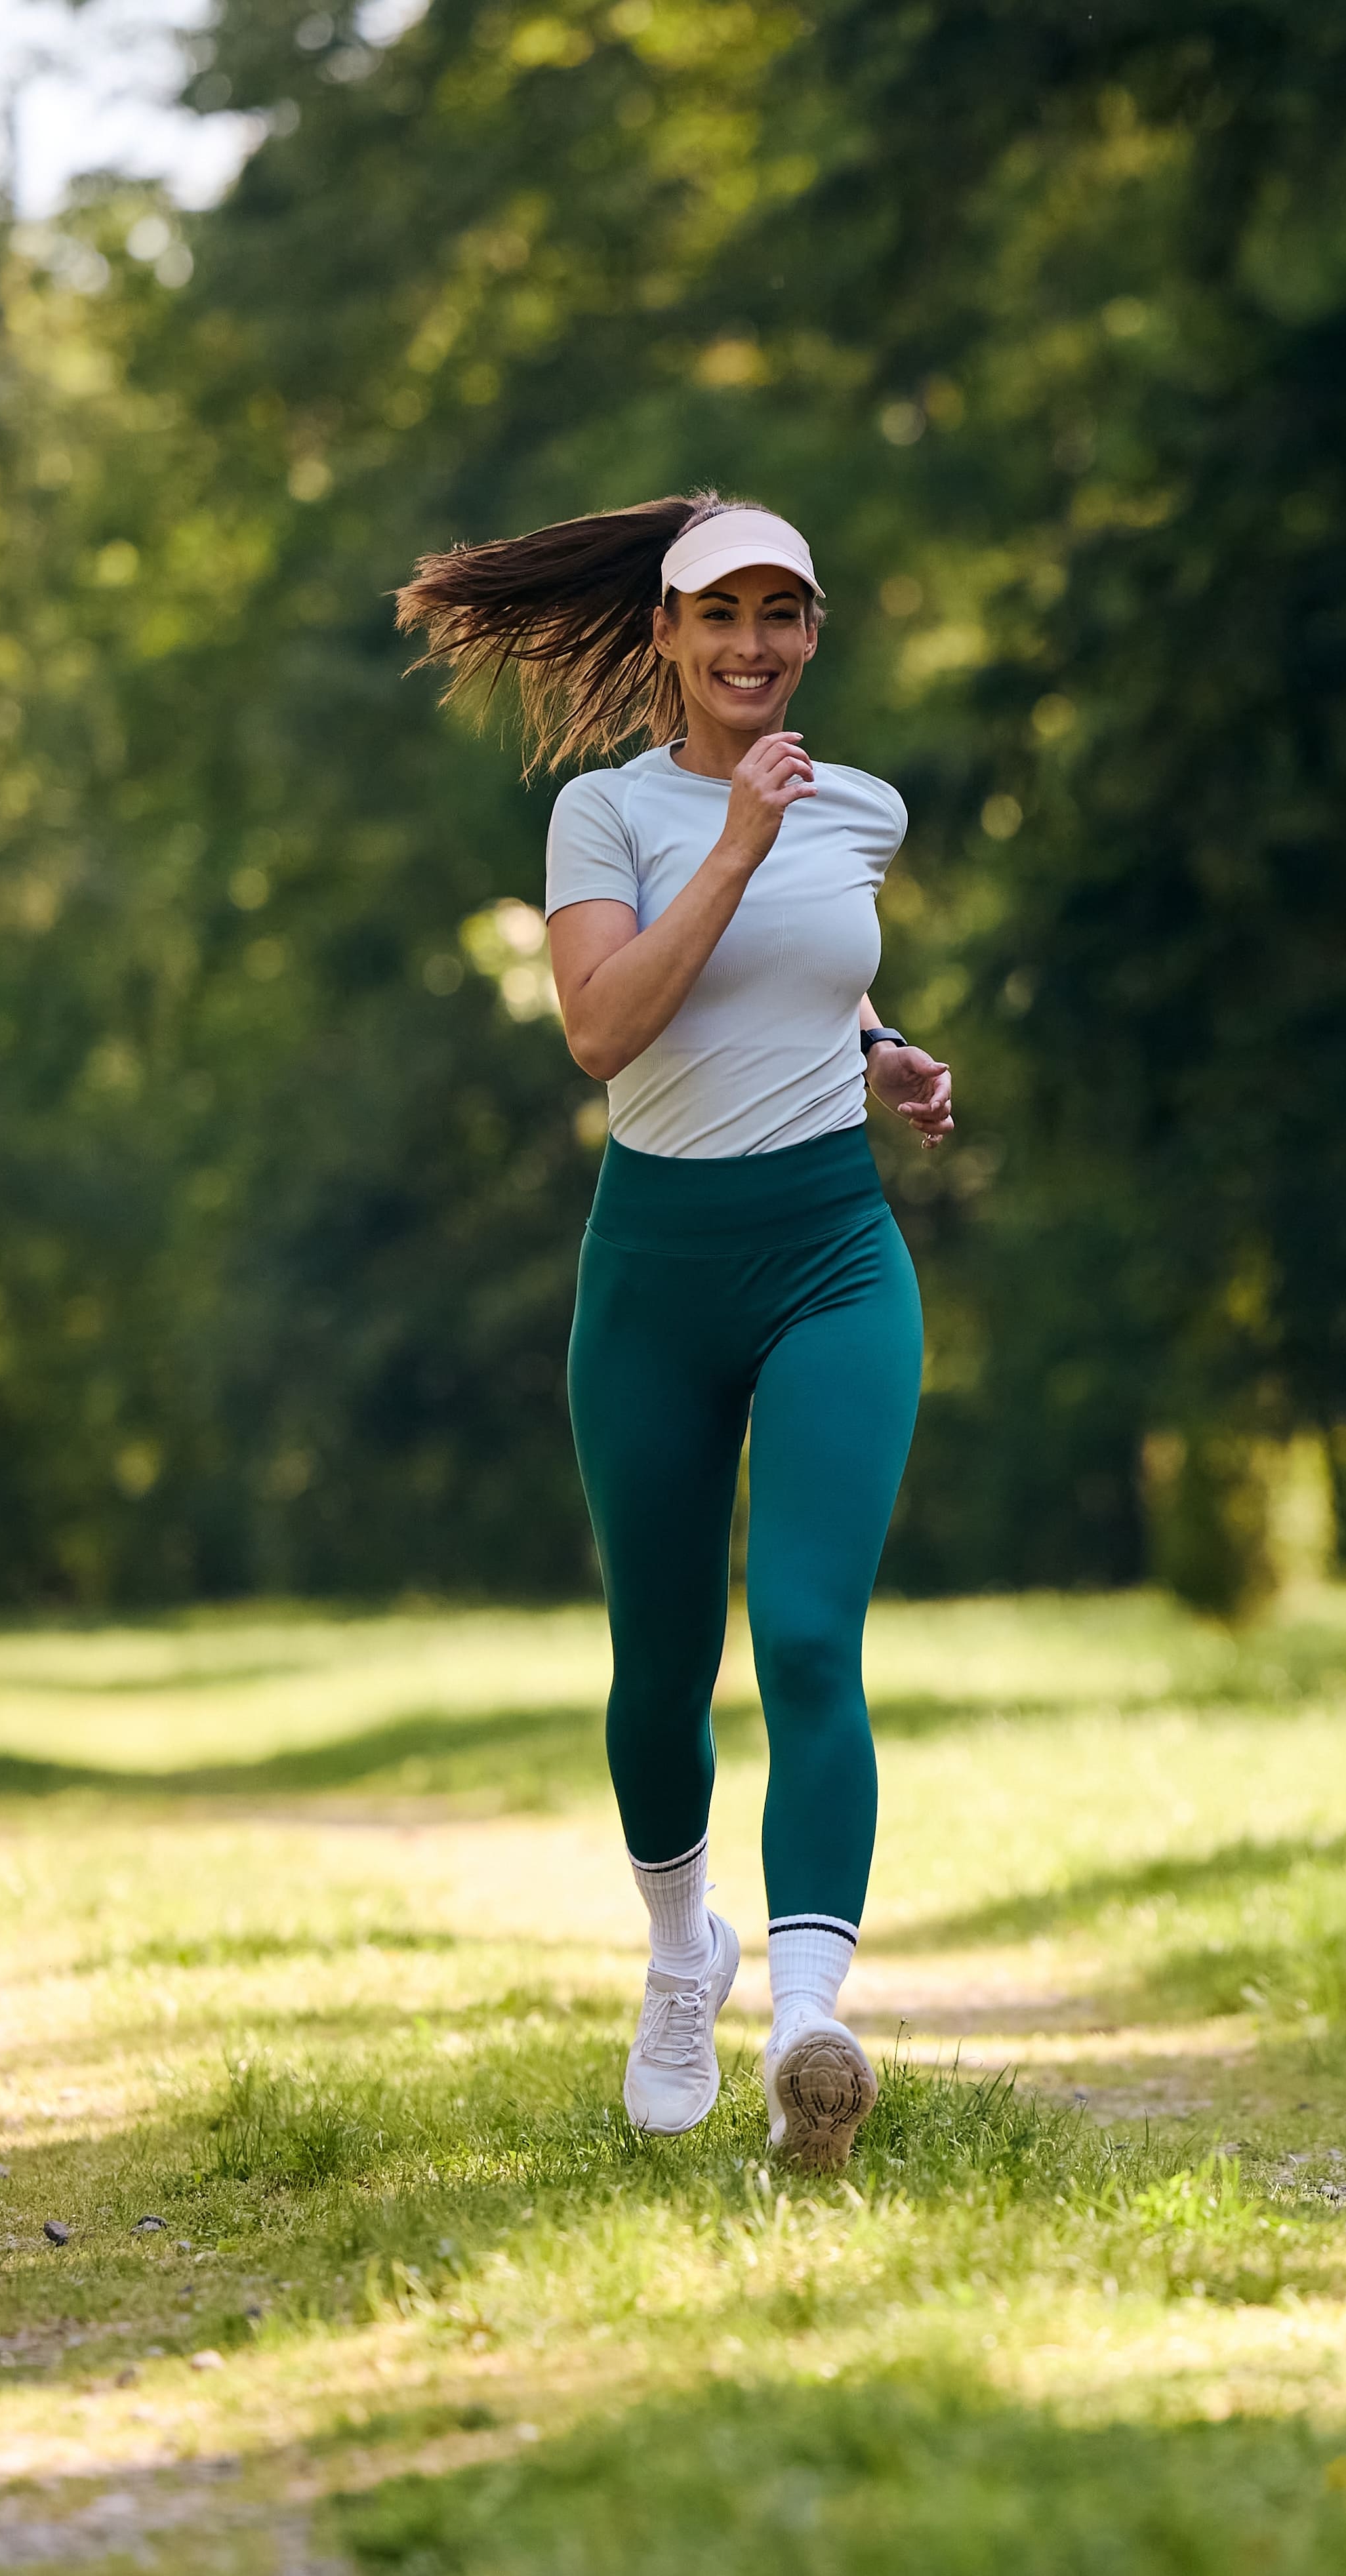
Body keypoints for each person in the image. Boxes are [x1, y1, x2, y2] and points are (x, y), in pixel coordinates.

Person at [392, 494, 953, 2171]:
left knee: (804, 1637)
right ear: (667, 634)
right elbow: (603, 1025)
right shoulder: (605, 815)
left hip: (834, 1255)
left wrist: (885, 1046)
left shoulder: (860, 806)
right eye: (722, 615)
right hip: (654, 1277)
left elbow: (811, 973)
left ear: (812, 630)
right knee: (660, 1665)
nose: (754, 645)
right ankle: (678, 1951)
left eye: (784, 614)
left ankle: (803, 2027)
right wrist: (732, 843)